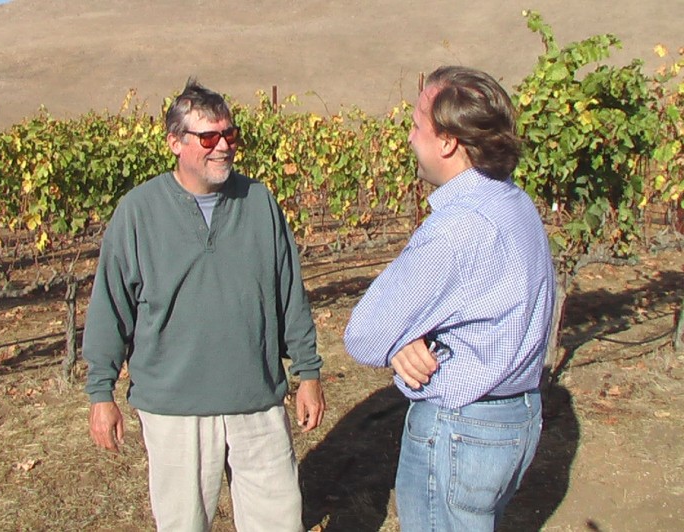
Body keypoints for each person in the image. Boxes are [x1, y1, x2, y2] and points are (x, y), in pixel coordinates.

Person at [82, 78, 326, 532]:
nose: (223, 148)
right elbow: (110, 308)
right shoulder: (138, 212)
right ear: (174, 142)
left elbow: (289, 292)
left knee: (280, 521)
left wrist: (308, 372)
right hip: (174, 408)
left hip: (257, 399)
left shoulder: (259, 203)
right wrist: (101, 393)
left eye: (229, 135)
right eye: (208, 137)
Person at [343, 66, 555, 531]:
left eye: (418, 125)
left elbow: (363, 335)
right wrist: (405, 336)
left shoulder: (457, 228)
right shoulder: (513, 202)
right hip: (517, 419)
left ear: (447, 143)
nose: (410, 136)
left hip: (462, 429)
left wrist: (397, 336)